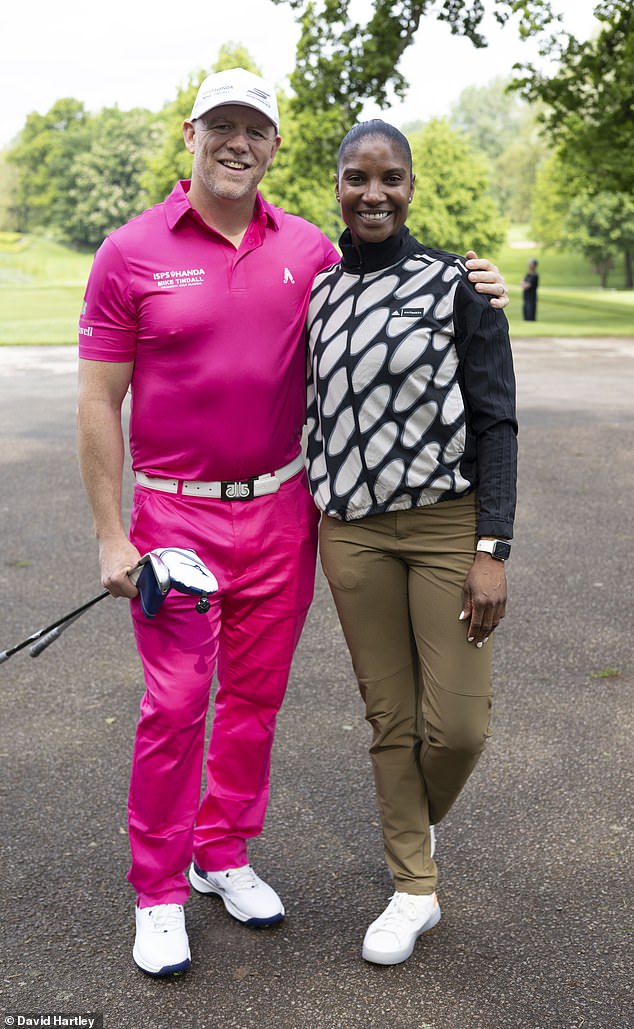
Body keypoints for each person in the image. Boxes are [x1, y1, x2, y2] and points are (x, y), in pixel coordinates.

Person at [76, 69, 509, 978]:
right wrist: (113, 534)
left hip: (283, 510)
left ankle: (221, 853)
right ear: (190, 132)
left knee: (254, 701)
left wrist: (478, 283)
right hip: (175, 519)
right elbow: (98, 400)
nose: (238, 142)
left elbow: (388, 283)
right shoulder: (130, 251)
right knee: (176, 704)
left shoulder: (309, 249)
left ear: (275, 147)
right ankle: (158, 891)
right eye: (222, 126)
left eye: (256, 130)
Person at [305, 120, 518, 966]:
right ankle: (412, 887)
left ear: (411, 186)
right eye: (357, 177)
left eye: (390, 177)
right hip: (349, 532)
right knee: (391, 718)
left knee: (457, 726)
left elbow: (498, 420)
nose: (373, 193)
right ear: (338, 186)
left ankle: (410, 816)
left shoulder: (458, 285)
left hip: (444, 526)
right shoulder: (317, 292)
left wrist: (492, 546)